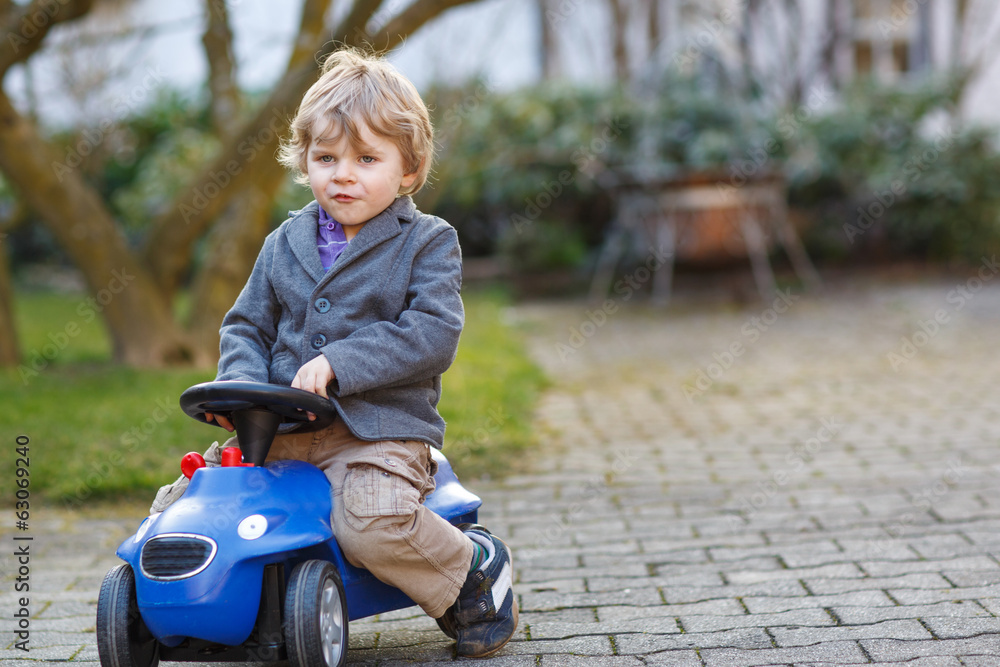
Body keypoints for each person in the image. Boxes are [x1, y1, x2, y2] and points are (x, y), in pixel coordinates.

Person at [149, 48, 517, 658]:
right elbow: (246, 325)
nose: (342, 175)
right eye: (326, 158)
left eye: (366, 159)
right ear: (305, 162)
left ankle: (472, 572)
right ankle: (184, 612)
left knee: (369, 524)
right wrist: (237, 388)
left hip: (376, 434)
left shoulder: (427, 242)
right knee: (180, 508)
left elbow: (432, 332)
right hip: (279, 430)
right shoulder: (283, 241)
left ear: (409, 168)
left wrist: (341, 362)